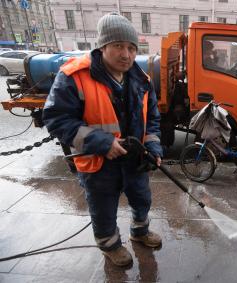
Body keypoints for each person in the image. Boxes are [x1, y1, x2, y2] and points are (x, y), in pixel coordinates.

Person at [42, 12, 163, 267]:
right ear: (103, 46)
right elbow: (57, 119)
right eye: (118, 46)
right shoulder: (73, 77)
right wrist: (102, 143)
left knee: (142, 198)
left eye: (131, 47)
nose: (126, 54)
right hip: (99, 162)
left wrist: (152, 145)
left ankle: (139, 231)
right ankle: (110, 245)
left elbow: (152, 118)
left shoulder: (142, 80)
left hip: (135, 159)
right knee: (103, 207)